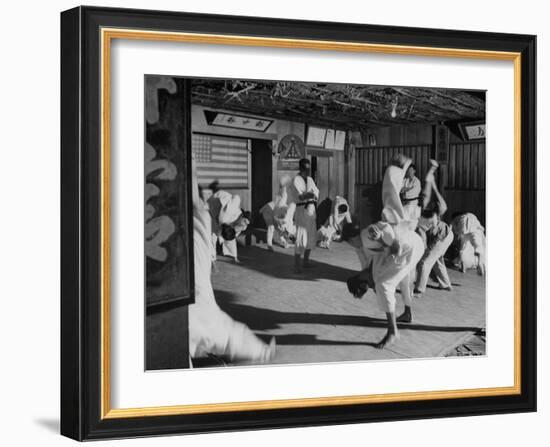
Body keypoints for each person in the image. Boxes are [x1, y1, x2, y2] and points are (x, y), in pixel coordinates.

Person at [189, 158, 276, 364]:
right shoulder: (204, 217)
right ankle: (258, 351)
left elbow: (219, 234)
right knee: (217, 327)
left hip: (185, 288)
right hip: (194, 297)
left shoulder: (206, 220)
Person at [343, 154, 424, 349]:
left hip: (407, 247)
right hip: (413, 243)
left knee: (385, 284)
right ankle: (408, 312)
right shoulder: (364, 255)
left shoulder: (368, 235)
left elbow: (394, 247)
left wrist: (381, 240)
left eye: (367, 286)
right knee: (398, 279)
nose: (351, 246)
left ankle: (392, 331)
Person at [414, 162, 454, 297]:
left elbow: (428, 189)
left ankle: (419, 290)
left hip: (443, 235)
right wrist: (431, 173)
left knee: (425, 262)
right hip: (444, 235)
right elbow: (427, 187)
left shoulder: (430, 211)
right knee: (436, 259)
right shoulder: (418, 213)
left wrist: (432, 177)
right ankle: (446, 284)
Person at [288, 158, 319, 273]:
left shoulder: (310, 179)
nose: (308, 170)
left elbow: (316, 193)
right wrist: (310, 194)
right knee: (301, 237)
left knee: (311, 236)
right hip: (301, 209)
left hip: (311, 210)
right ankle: (296, 265)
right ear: (301, 168)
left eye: (309, 168)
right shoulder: (296, 180)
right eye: (306, 168)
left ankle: (306, 261)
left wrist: (310, 195)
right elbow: (301, 197)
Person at [207, 186, 250, 264]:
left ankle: (234, 256)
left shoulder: (239, 220)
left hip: (222, 207)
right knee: (212, 237)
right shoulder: (227, 215)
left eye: (246, 223)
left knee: (230, 237)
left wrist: (235, 257)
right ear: (242, 217)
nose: (244, 224)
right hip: (214, 203)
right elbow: (236, 197)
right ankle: (212, 259)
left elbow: (232, 237)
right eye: (244, 221)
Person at [259, 175, 296, 251]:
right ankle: (269, 245)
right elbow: (275, 217)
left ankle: (285, 243)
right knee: (271, 226)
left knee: (279, 227)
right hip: (268, 211)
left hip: (275, 210)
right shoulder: (282, 208)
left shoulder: (287, 213)